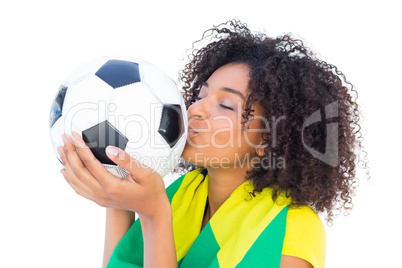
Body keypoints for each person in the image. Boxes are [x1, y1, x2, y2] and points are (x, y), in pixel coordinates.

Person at [58, 20, 368, 268]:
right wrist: (119, 198)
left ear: (267, 138)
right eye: (200, 96)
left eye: (226, 106)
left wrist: (154, 215)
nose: (194, 110)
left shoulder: (293, 230)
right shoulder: (182, 193)